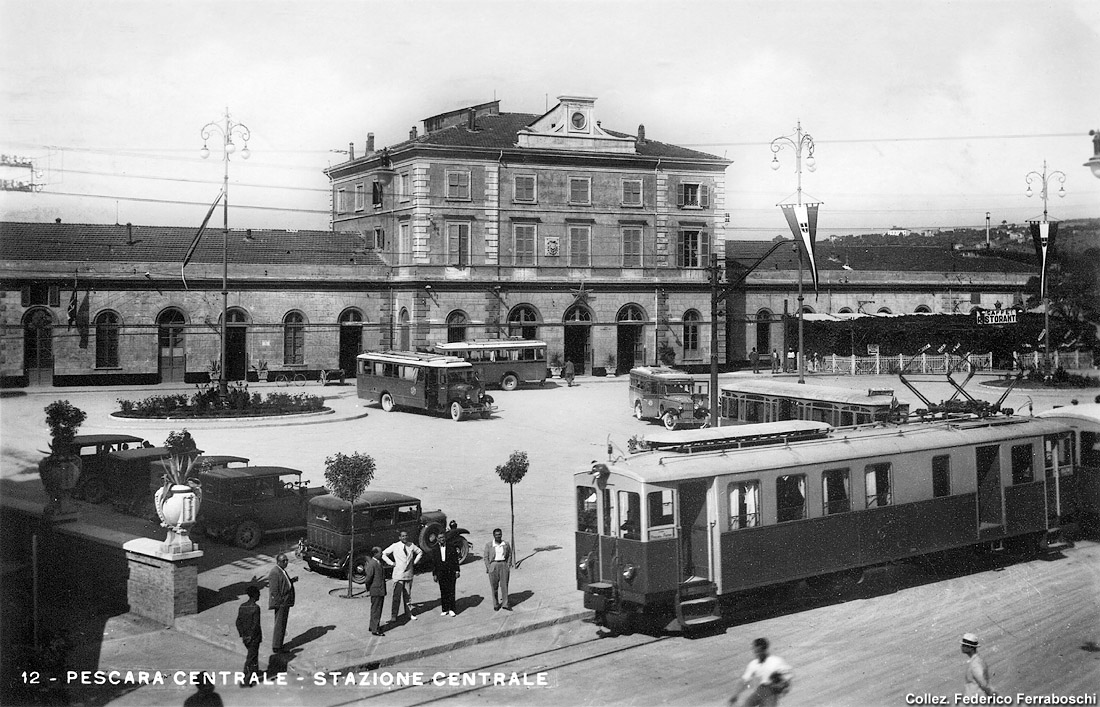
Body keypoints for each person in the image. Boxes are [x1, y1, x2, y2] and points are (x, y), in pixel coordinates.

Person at [728, 637, 792, 707]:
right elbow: (744, 681)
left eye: (759, 651)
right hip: (759, 690)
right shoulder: (753, 664)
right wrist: (735, 695)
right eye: (755, 651)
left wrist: (784, 686)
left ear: (764, 649)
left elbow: (787, 676)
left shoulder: (776, 661)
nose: (757, 653)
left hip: (771, 691)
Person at [382, 530, 423, 623]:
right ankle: (394, 616)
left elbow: (420, 552)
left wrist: (414, 562)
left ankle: (409, 614)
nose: (405, 537)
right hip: (398, 575)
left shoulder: (411, 545)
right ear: (399, 537)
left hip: (408, 574)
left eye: (406, 535)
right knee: (396, 597)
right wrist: (392, 563)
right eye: (403, 536)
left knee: (408, 596)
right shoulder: (395, 546)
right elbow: (383, 554)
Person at [267, 553, 296, 653]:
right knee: (279, 624)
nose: (286, 562)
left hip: (285, 602)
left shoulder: (282, 571)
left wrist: (291, 581)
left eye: (287, 560)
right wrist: (281, 602)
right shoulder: (275, 572)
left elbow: (284, 583)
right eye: (284, 561)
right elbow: (274, 590)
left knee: (283, 623)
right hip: (281, 603)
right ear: (278, 562)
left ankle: (280, 644)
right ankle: (276, 647)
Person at [235, 586, 262, 687]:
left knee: (253, 655)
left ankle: (255, 673)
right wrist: (250, 636)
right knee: (251, 657)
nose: (259, 595)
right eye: (258, 594)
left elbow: (238, 622)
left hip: (245, 637)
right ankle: (246, 679)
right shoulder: (256, 608)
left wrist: (243, 634)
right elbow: (255, 624)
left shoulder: (242, 606)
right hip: (254, 637)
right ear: (254, 595)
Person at [432, 530, 462, 617]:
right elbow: (434, 563)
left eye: (443, 537)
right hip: (441, 572)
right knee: (443, 590)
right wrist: (434, 574)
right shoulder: (435, 549)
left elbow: (455, 560)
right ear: (437, 539)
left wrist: (457, 570)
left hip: (451, 571)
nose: (442, 539)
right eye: (440, 538)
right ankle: (445, 609)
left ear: (445, 538)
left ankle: (452, 609)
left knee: (451, 590)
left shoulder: (451, 547)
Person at [483, 528, 513, 611]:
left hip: (503, 565)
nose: (498, 536)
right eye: (496, 535)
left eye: (499, 534)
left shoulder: (505, 544)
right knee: (494, 586)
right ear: (494, 536)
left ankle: (505, 604)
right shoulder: (489, 545)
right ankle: (496, 604)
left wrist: (508, 564)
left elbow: (510, 554)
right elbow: (485, 557)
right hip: (493, 565)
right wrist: (489, 567)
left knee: (504, 585)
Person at [360, 546, 387, 636]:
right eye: (380, 552)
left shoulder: (377, 562)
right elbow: (368, 578)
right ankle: (375, 629)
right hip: (376, 590)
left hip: (378, 589)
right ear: (375, 554)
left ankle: (373, 626)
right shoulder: (372, 564)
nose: (382, 554)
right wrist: (369, 588)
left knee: (375, 609)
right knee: (377, 610)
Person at [961, 633, 995, 698]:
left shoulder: (975, 664)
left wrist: (993, 696)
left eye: (964, 645)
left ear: (970, 648)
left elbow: (984, 684)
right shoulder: (977, 660)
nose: (961, 647)